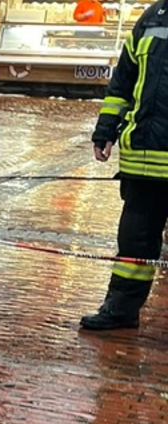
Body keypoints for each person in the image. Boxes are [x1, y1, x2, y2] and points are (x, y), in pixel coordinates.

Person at [80, 0, 168, 330]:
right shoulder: (153, 16)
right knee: (134, 242)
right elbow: (124, 80)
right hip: (144, 157)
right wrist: (106, 129)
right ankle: (121, 307)